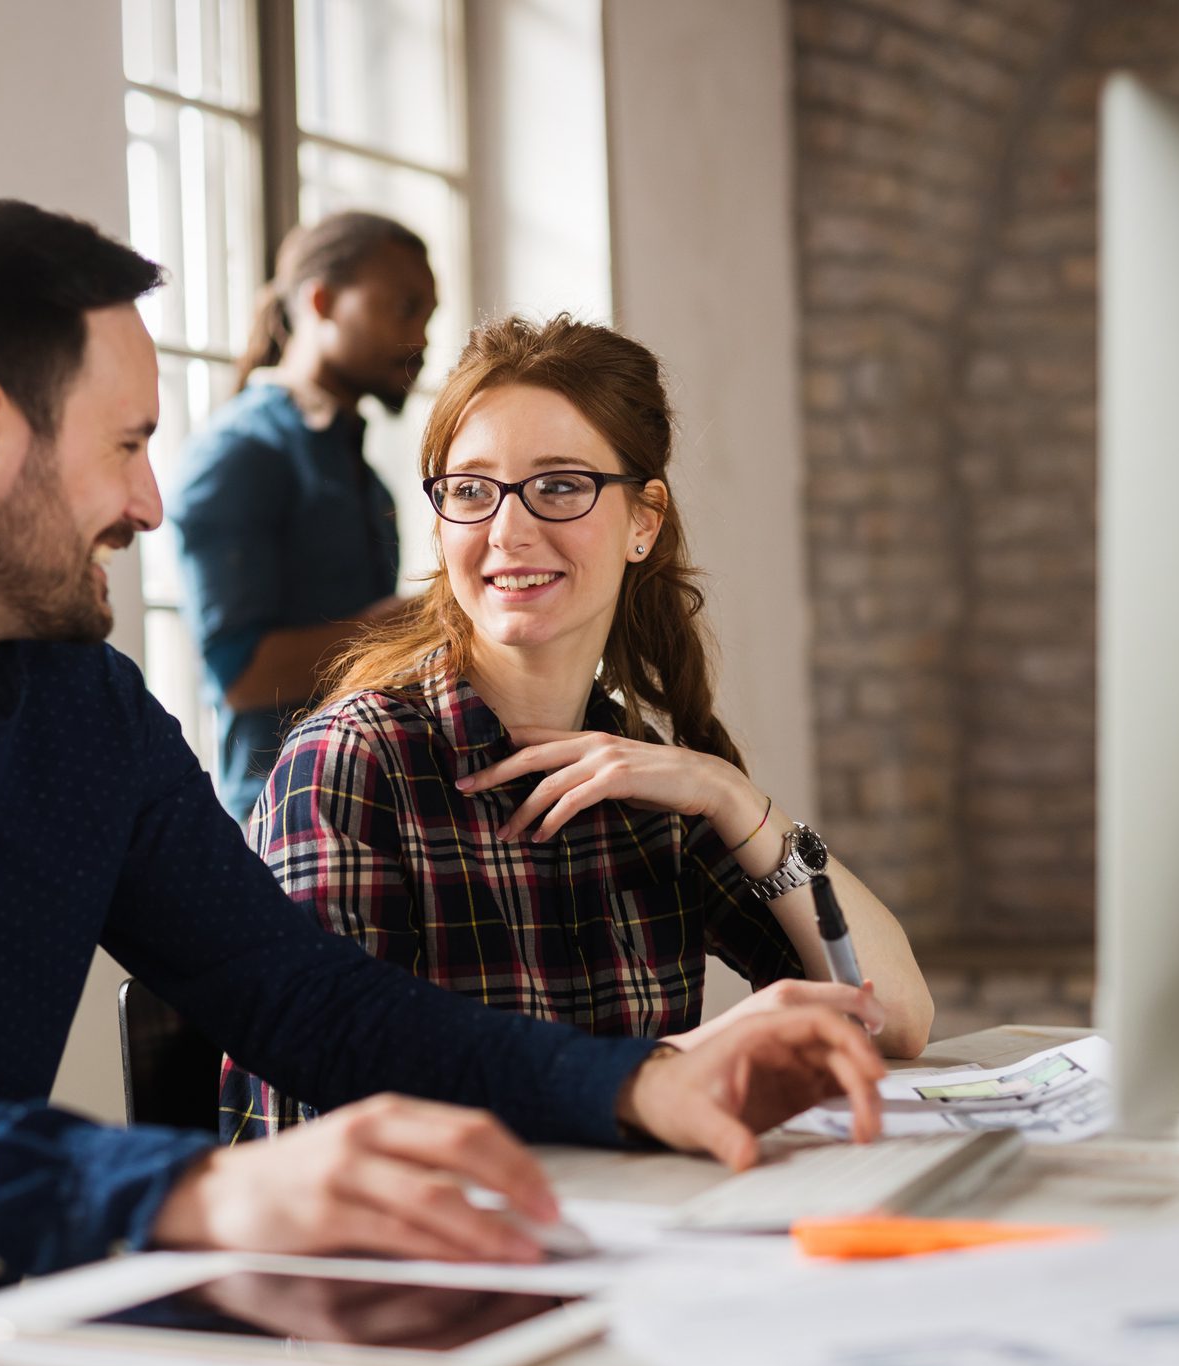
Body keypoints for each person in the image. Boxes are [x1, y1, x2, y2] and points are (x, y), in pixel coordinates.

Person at [0, 198, 888, 1366]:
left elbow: (305, 995)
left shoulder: (80, 711)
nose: (153, 503)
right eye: (128, 444)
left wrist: (642, 1079)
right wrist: (199, 1194)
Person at [223, 315, 933, 1141]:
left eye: (559, 485)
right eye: (471, 489)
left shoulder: (647, 777)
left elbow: (894, 1019)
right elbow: (335, 1111)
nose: (507, 530)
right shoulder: (352, 761)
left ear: (644, 521)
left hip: (643, 1235)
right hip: (432, 1258)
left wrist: (733, 798)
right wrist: (671, 1068)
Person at [169, 211, 432, 821]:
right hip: (276, 827)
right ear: (321, 301)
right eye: (406, 306)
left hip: (366, 806)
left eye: (429, 315)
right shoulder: (238, 453)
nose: (422, 336)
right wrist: (422, 619)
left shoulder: (365, 476)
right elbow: (241, 676)